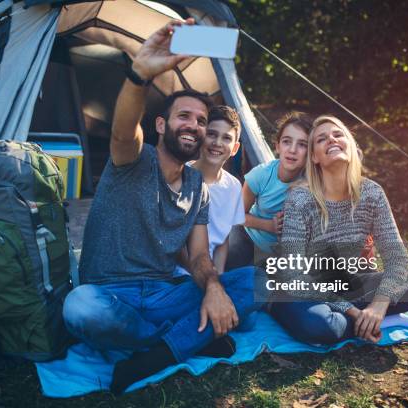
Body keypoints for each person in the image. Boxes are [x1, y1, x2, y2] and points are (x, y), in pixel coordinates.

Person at [62, 19, 266, 394]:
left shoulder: (197, 188)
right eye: (184, 116)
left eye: (201, 121)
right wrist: (140, 74)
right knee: (79, 307)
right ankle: (190, 339)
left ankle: (156, 354)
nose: (193, 125)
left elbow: (201, 256)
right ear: (161, 124)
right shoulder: (131, 162)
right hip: (110, 294)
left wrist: (214, 289)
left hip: (165, 293)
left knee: (261, 280)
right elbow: (124, 131)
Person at [272, 115, 408, 344]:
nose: (332, 140)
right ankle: (360, 322)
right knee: (319, 325)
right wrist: (352, 310)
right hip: (303, 289)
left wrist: (379, 305)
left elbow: (397, 259)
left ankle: (366, 321)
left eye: (338, 134)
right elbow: (293, 274)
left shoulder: (372, 193)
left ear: (350, 144)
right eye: (321, 139)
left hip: (351, 283)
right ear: (314, 156)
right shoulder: (300, 198)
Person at [226, 112, 313, 269]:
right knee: (231, 269)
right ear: (277, 146)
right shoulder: (260, 175)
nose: (292, 150)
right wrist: (269, 225)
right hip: (247, 234)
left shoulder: (311, 182)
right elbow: (237, 215)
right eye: (287, 142)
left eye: (302, 144)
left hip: (277, 253)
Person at [175, 105, 245, 277]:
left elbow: (223, 239)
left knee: (257, 280)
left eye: (226, 138)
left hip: (211, 273)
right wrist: (204, 280)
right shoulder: (178, 176)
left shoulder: (234, 186)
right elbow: (174, 242)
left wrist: (218, 276)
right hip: (178, 273)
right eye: (211, 134)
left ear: (235, 148)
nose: (217, 143)